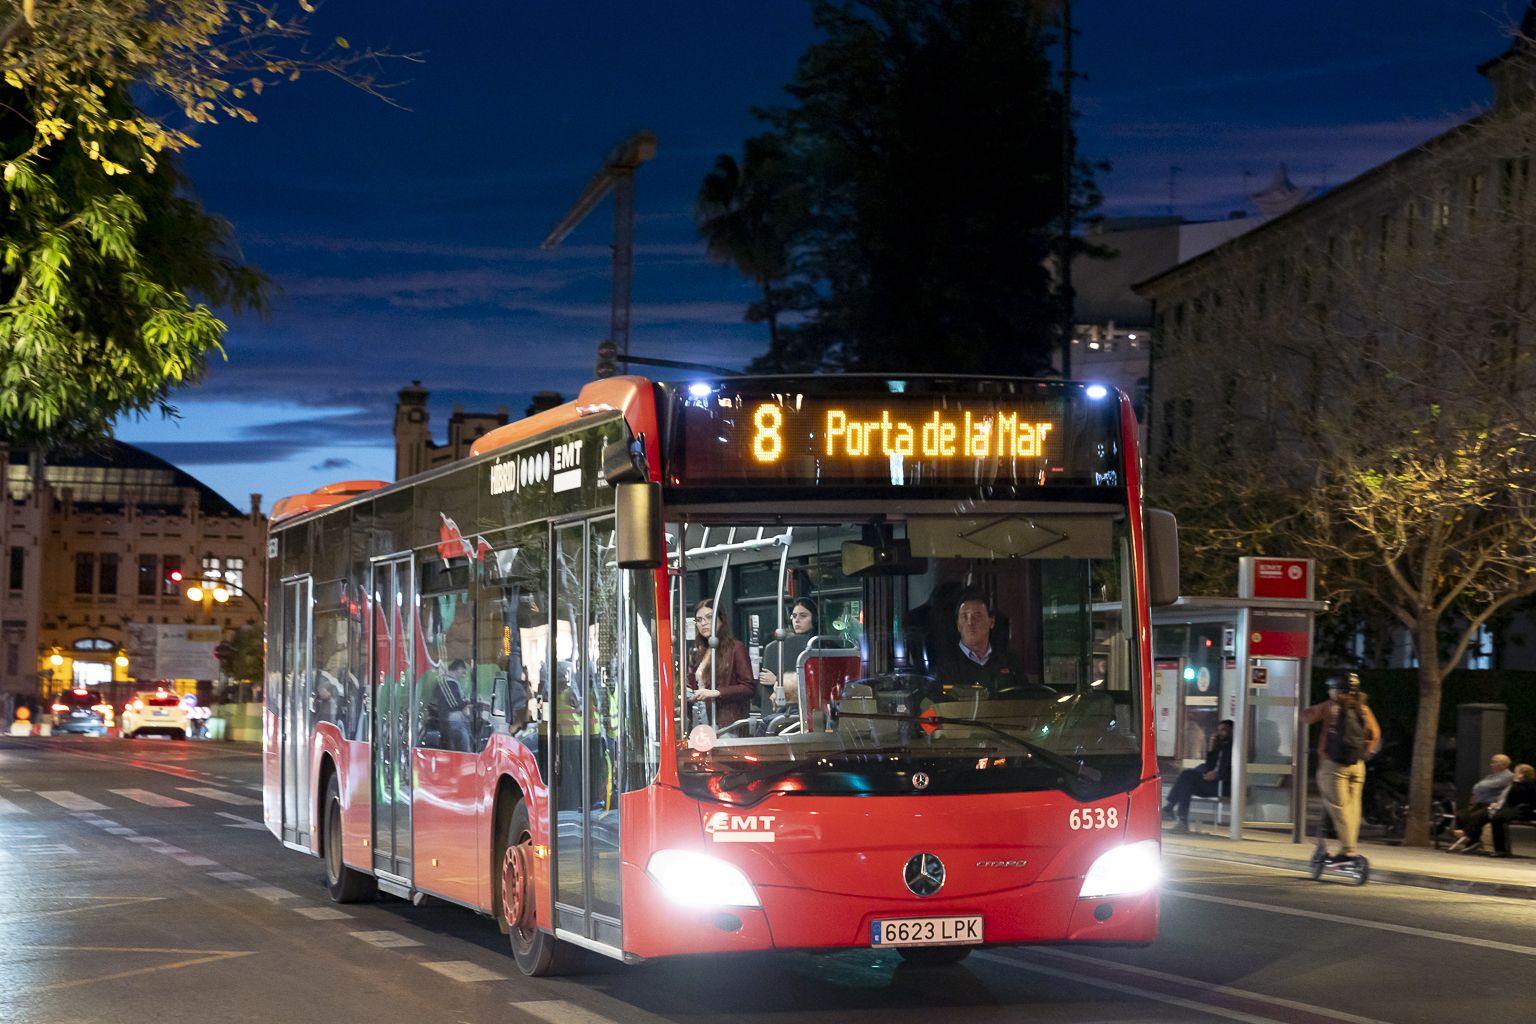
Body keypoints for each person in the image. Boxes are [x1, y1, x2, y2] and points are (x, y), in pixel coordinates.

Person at [1300, 672, 1382, 862]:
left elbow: (1306, 717)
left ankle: (1348, 851)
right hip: (1357, 765)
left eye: (1331, 688)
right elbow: (1375, 734)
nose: (1329, 691)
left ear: (1337, 690)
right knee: (1353, 808)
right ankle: (1349, 846)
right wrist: (1364, 753)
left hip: (1333, 766)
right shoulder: (1363, 708)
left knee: (1339, 808)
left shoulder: (1331, 707)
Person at [927, 590, 1034, 695]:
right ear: (958, 625)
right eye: (964, 616)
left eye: (977, 616)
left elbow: (1025, 701)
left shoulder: (1010, 662)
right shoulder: (943, 667)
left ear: (991, 622)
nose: (970, 622)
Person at [688, 598, 755, 729]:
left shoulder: (735, 648)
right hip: (701, 719)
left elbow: (749, 688)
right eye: (699, 620)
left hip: (727, 722)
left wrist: (716, 692)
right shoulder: (698, 652)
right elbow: (693, 684)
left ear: (721, 619)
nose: (704, 623)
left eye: (709, 617)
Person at [1162, 719, 1234, 832]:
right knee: (1186, 779)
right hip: (1211, 783)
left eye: (1224, 730)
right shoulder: (1221, 748)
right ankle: (1179, 819)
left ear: (1232, 731)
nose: (1220, 733)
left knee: (1186, 777)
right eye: (1219, 730)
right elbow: (1209, 765)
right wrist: (1212, 748)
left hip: (1223, 785)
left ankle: (1171, 811)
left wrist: (1218, 775)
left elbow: (1235, 771)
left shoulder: (1234, 749)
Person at [1447, 753, 1515, 853]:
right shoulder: (1492, 776)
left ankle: (1468, 837)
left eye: (1495, 762)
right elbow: (1478, 787)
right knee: (1461, 814)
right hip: (1481, 803)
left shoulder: (1507, 776)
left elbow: (1483, 786)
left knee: (1476, 816)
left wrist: (1479, 787)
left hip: (1491, 804)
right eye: (1492, 762)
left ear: (1503, 764)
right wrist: (1479, 788)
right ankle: (1468, 839)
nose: (1492, 764)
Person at [758, 598, 817, 712]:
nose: (797, 620)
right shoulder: (780, 645)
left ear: (814, 618)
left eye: (803, 616)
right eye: (794, 616)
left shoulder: (820, 645)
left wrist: (778, 681)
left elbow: (814, 684)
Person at [1488, 763, 1536, 858]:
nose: (1514, 774)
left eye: (1516, 772)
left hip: (1525, 811)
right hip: (1516, 809)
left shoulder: (1529, 784)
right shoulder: (1519, 784)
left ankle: (1500, 850)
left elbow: (1514, 798)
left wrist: (1516, 783)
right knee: (1485, 814)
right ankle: (1471, 838)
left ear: (1522, 774)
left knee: (1497, 818)